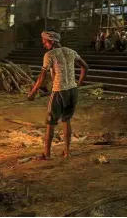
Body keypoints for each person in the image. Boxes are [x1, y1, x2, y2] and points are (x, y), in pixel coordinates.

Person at [27, 30, 89, 160]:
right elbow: (85, 67)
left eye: (45, 42)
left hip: (59, 91)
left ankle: (47, 154)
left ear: (52, 41)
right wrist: (79, 83)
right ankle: (67, 152)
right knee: (66, 120)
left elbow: (42, 76)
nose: (44, 45)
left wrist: (32, 92)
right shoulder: (71, 52)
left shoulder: (49, 55)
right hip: (72, 91)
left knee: (51, 122)